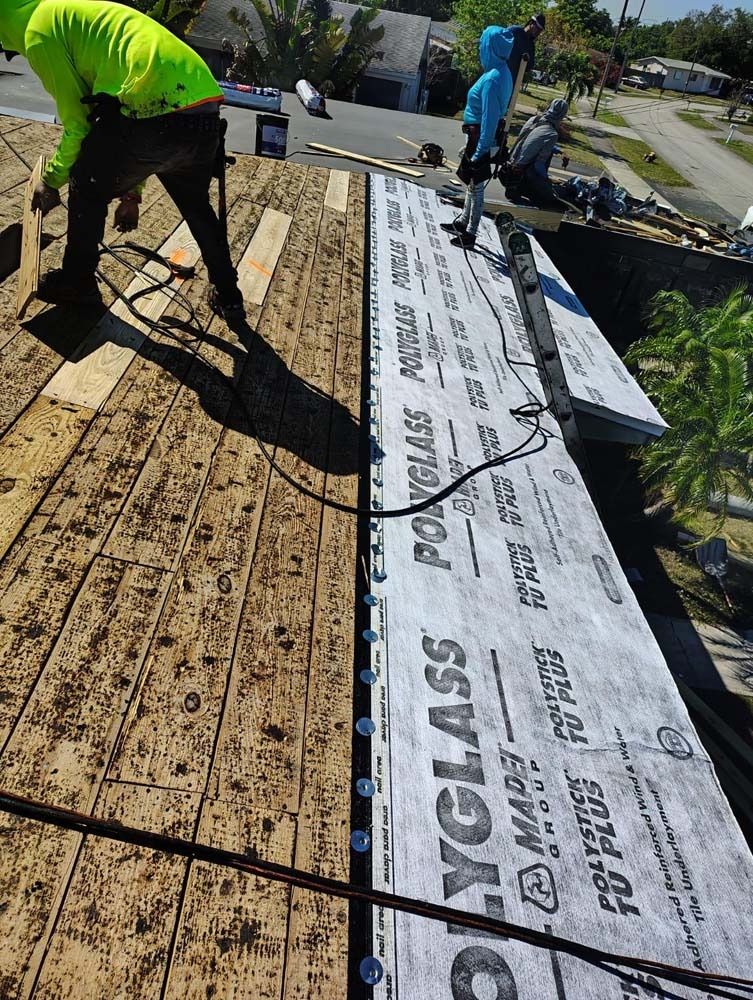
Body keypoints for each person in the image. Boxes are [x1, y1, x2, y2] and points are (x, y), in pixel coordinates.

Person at [0, 0, 244, 324]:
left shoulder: (38, 34)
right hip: (202, 111)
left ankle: (77, 282)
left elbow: (78, 124)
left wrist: (52, 179)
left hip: (157, 110)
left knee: (86, 179)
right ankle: (229, 295)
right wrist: (132, 194)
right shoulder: (67, 13)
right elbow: (121, 116)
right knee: (198, 209)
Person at [441, 25, 513, 250]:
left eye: (483, 44)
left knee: (477, 187)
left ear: (490, 47)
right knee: (472, 185)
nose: (481, 48)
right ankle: (463, 222)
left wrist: (480, 151)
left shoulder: (493, 78)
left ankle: (470, 234)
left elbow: (489, 119)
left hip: (480, 136)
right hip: (477, 136)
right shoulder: (501, 71)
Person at [504, 98, 568, 208]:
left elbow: (531, 142)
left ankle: (517, 188)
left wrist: (559, 150)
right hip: (519, 174)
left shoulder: (533, 119)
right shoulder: (552, 134)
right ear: (562, 116)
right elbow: (539, 164)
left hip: (508, 167)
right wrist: (548, 181)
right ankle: (526, 191)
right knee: (550, 197)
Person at [506, 13, 546, 89]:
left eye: (540, 30)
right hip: (498, 75)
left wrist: (526, 59)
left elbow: (528, 67)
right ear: (531, 23)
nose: (538, 32)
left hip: (511, 82)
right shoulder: (514, 31)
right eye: (537, 28)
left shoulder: (530, 46)